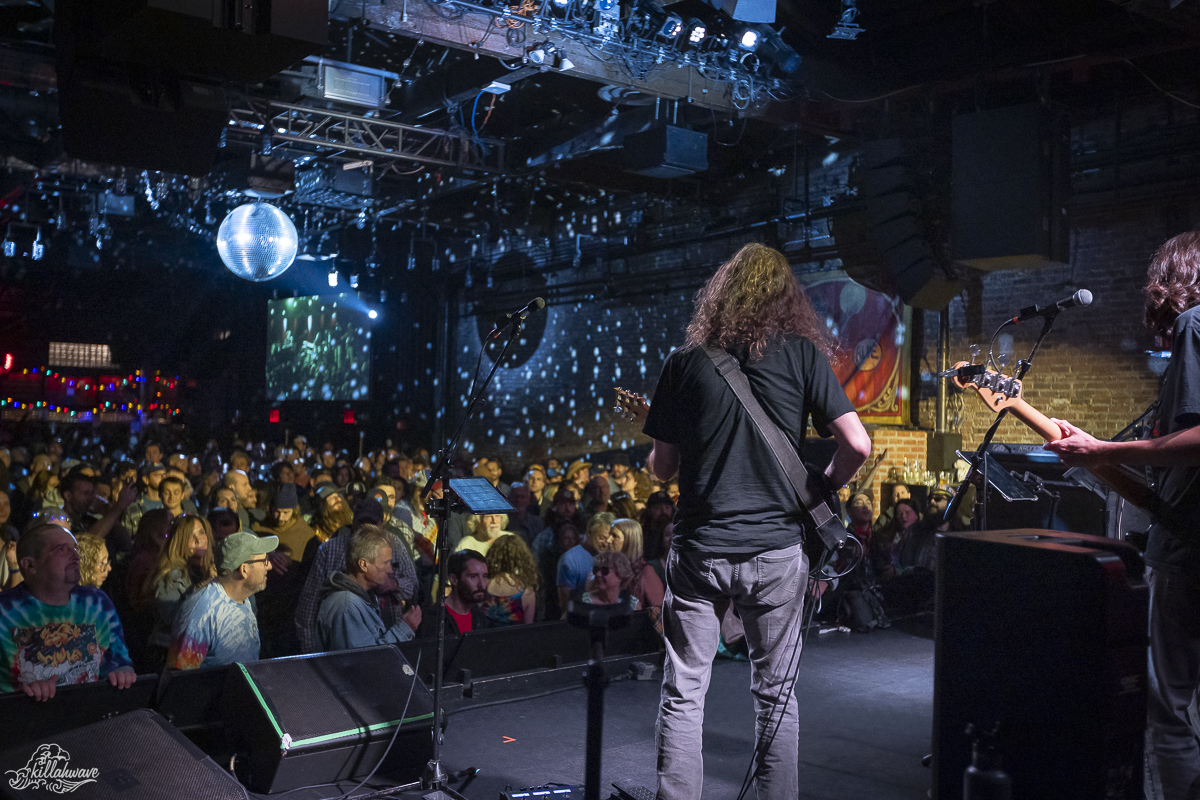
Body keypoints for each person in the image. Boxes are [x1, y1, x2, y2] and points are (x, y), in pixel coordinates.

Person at [642, 242, 870, 800]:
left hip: (700, 550)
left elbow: (663, 469)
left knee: (683, 692)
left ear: (720, 296)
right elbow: (858, 445)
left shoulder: (684, 361)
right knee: (775, 697)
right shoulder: (803, 356)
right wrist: (824, 486)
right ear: (785, 298)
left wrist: (657, 455)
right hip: (775, 551)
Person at [1042, 232, 1200, 800]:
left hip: (1187, 550)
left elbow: (1195, 440)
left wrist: (1102, 452)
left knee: (1171, 713)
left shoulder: (1194, 325)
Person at [0, 523, 137, 699]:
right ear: (30, 565)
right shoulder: (5, 612)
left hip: (89, 716)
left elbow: (118, 661)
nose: (76, 556)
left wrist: (122, 672)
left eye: (75, 549)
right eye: (62, 550)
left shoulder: (97, 603)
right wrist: (25, 692)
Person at [167, 530, 277, 669]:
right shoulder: (202, 612)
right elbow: (181, 678)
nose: (269, 566)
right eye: (264, 561)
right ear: (244, 570)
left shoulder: (243, 599)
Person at [315, 525, 422, 651]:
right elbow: (364, 661)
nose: (390, 570)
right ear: (364, 564)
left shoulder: (357, 600)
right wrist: (404, 629)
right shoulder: (347, 607)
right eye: (385, 563)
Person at [146, 515, 217, 667]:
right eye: (190, 536)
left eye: (201, 532)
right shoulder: (169, 577)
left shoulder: (215, 568)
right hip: (170, 654)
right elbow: (176, 621)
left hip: (205, 652)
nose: (198, 540)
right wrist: (205, 584)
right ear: (179, 542)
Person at [556, 512, 614, 615]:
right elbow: (566, 605)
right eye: (602, 538)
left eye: (609, 538)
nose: (606, 543)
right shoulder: (570, 559)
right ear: (589, 534)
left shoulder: (614, 557)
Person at [484, 534, 539, 625]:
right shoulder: (527, 591)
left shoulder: (484, 584)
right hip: (515, 638)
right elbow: (528, 629)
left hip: (486, 638)